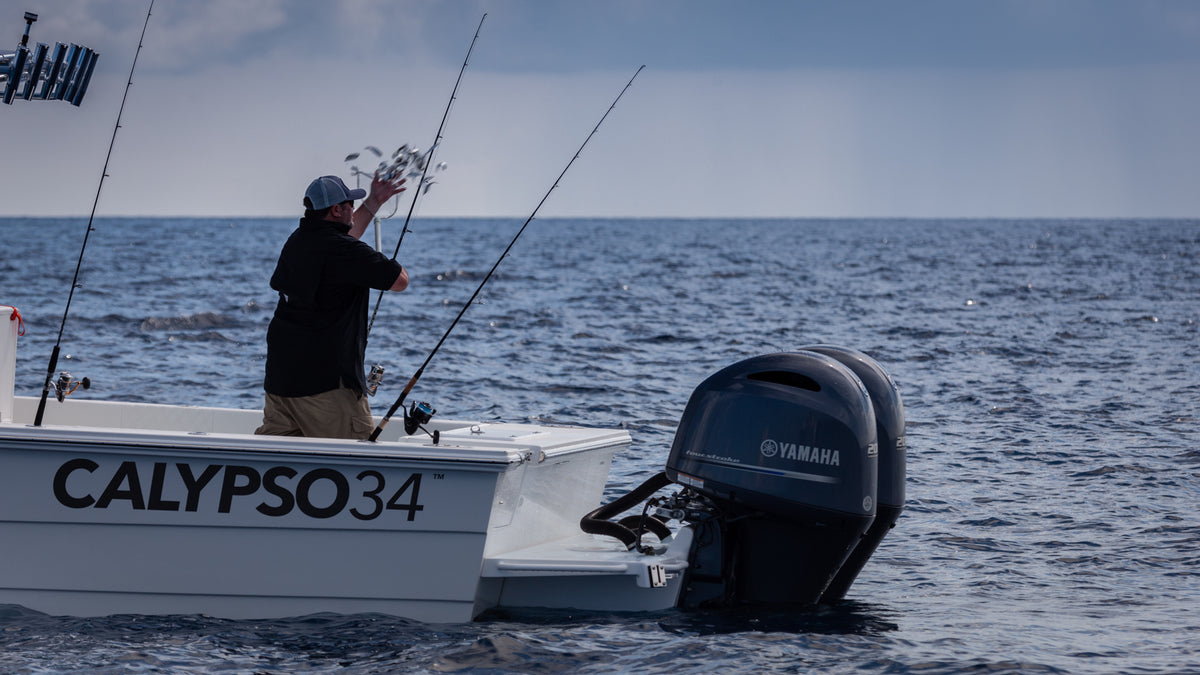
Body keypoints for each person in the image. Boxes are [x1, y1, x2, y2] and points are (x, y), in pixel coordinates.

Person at [255, 173, 409, 439]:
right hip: (326, 387)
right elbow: (399, 281)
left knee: (278, 462)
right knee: (355, 461)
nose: (352, 209)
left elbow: (345, 239)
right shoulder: (345, 252)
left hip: (282, 382)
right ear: (337, 209)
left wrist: (373, 202)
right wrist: (372, 258)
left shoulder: (299, 242)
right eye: (350, 204)